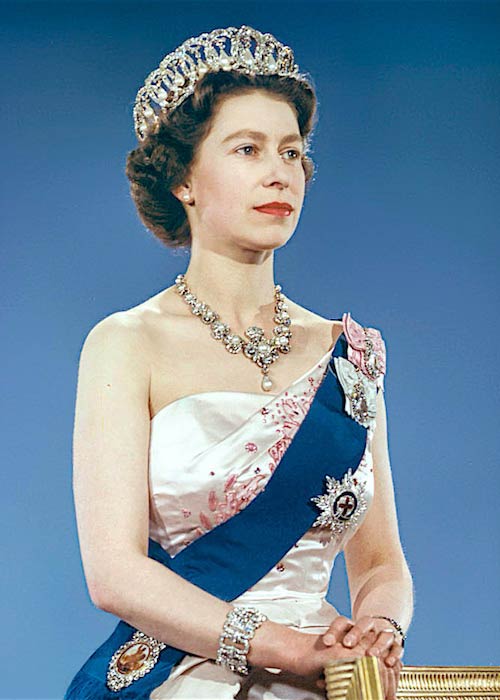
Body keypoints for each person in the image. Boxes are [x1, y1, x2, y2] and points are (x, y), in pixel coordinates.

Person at [64, 24, 414, 700]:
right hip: (186, 678)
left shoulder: (352, 355)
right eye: (248, 149)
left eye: (292, 151)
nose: (279, 171)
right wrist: (284, 647)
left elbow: (380, 562)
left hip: (334, 682)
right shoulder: (126, 342)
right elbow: (114, 572)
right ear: (184, 179)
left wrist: (379, 631)